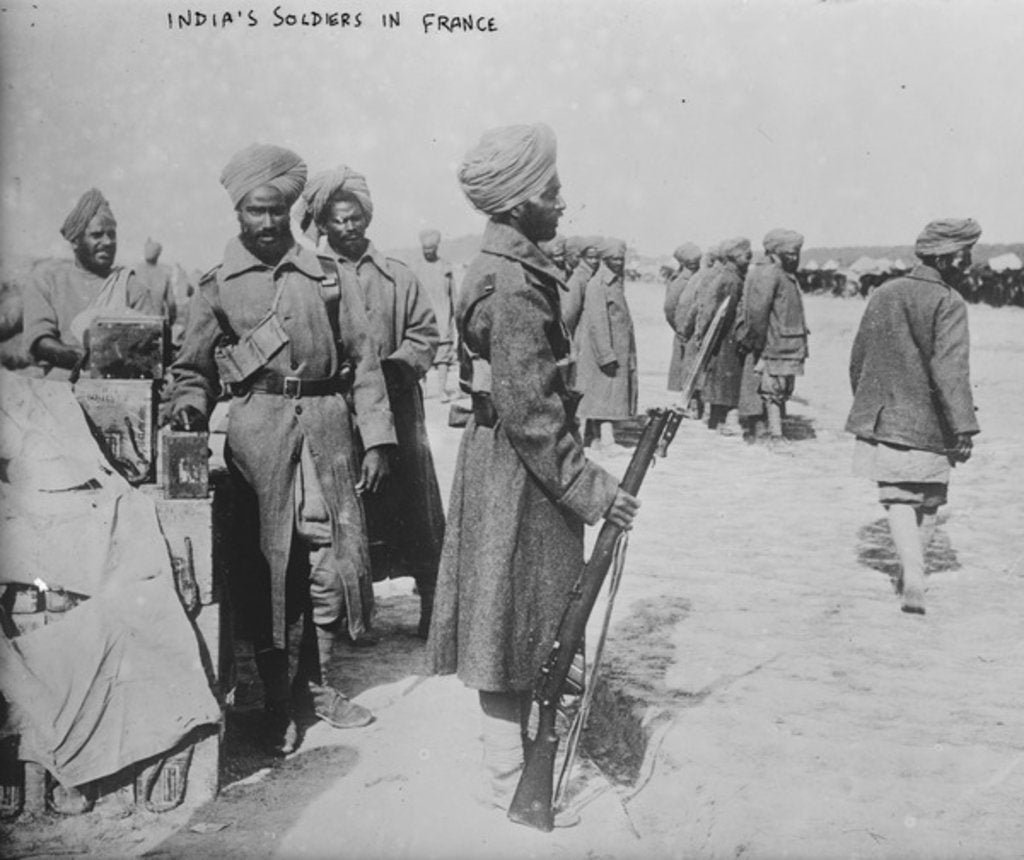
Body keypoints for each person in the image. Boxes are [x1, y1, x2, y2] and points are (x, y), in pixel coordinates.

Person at [426, 123, 639, 819]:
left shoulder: (508, 269)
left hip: (514, 468)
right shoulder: (514, 283)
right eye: (550, 191)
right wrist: (595, 492)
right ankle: (507, 781)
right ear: (519, 203)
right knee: (507, 622)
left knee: (518, 618)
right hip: (522, 474)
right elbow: (533, 412)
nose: (561, 202)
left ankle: (514, 771)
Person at [164, 144, 397, 753]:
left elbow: (365, 364)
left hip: (327, 429)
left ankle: (314, 688)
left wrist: (375, 439)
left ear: (292, 209)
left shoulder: (327, 275)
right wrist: (189, 402)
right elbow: (191, 368)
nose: (266, 223)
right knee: (269, 570)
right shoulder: (217, 286)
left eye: (276, 211)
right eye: (253, 211)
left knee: (329, 564)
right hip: (258, 435)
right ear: (238, 212)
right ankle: (274, 699)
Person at [301, 166, 445, 639]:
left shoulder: (398, 277)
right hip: (341, 413)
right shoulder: (311, 278)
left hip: (400, 412)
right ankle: (348, 614)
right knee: (348, 512)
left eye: (356, 218)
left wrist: (397, 368)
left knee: (417, 513)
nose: (349, 228)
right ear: (322, 224)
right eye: (339, 220)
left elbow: (426, 333)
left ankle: (430, 605)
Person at [846, 218, 981, 615]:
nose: (969, 263)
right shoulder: (950, 302)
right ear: (949, 256)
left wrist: (872, 405)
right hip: (931, 421)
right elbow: (950, 370)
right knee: (929, 500)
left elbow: (859, 359)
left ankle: (912, 576)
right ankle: (914, 578)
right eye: (966, 254)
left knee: (897, 497)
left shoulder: (884, 292)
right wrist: (964, 426)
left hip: (886, 415)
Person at [22, 188, 156, 380]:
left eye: (112, 234)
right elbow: (39, 341)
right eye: (97, 235)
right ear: (75, 241)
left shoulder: (131, 286)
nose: (108, 242)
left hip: (120, 392)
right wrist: (89, 359)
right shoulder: (47, 281)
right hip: (60, 391)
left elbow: (151, 348)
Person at [736, 229, 809, 447]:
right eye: (790, 253)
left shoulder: (783, 274)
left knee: (781, 388)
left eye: (797, 253)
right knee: (772, 390)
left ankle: (771, 430)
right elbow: (758, 313)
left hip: (786, 342)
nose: (794, 258)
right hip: (774, 343)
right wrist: (758, 344)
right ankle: (773, 435)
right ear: (775, 252)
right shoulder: (769, 273)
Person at [576, 237, 638, 454]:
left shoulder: (615, 282)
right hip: (604, 351)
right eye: (614, 259)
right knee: (605, 395)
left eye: (621, 259)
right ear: (604, 258)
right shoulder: (598, 285)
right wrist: (606, 355)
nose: (619, 263)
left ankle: (592, 438)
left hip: (617, 348)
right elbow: (597, 323)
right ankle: (606, 440)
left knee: (604, 394)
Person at [692, 236, 751, 434]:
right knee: (728, 380)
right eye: (746, 255)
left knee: (720, 378)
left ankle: (715, 419)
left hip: (721, 337)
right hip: (727, 337)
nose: (749, 259)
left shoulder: (727, 276)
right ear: (734, 257)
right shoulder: (732, 280)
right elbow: (719, 310)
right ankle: (725, 421)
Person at [409, 228, 459, 402]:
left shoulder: (445, 266)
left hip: (443, 316)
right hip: (423, 317)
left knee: (443, 356)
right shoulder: (415, 267)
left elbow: (453, 293)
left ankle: (441, 390)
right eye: (425, 249)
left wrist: (455, 314)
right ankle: (422, 389)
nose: (428, 253)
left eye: (431, 249)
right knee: (421, 353)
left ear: (437, 248)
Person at [664, 242, 702, 392]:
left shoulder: (698, 278)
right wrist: (681, 328)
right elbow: (669, 309)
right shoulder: (680, 281)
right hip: (684, 332)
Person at [561, 235, 601, 335]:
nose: (594, 261)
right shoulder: (579, 279)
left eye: (597, 257)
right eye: (590, 258)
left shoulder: (594, 276)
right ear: (583, 257)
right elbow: (569, 313)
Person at [135, 237, 177, 327]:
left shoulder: (136, 271)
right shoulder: (135, 271)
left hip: (144, 323)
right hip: (150, 323)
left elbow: (172, 304)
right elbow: (172, 304)